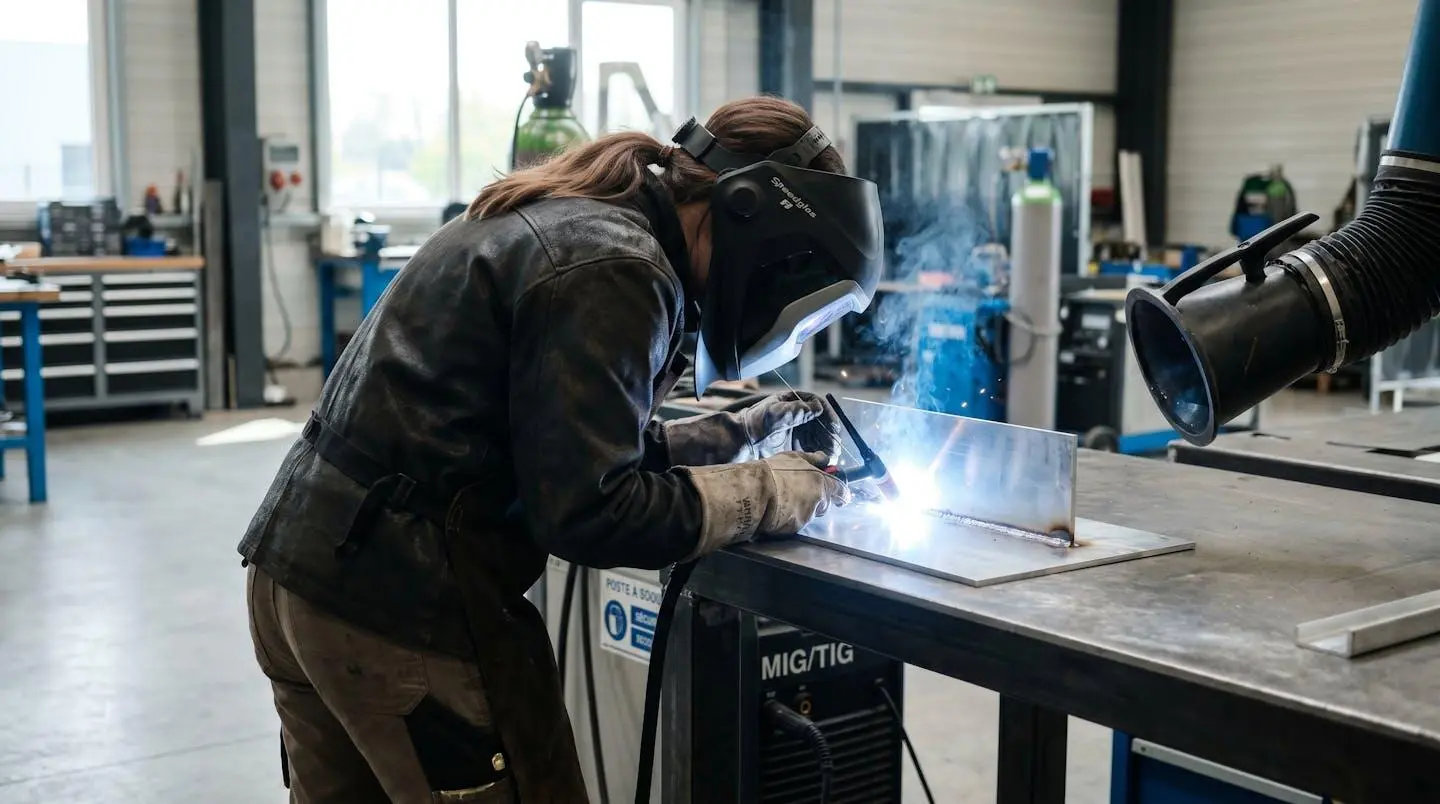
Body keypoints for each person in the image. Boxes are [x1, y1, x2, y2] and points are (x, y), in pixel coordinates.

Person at [240, 96, 884, 804]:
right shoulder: (618, 266)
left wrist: (732, 433)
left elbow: (556, 441)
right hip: (401, 608)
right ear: (747, 215)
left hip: (302, 574)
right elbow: (591, 511)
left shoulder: (579, 217)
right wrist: (768, 492)